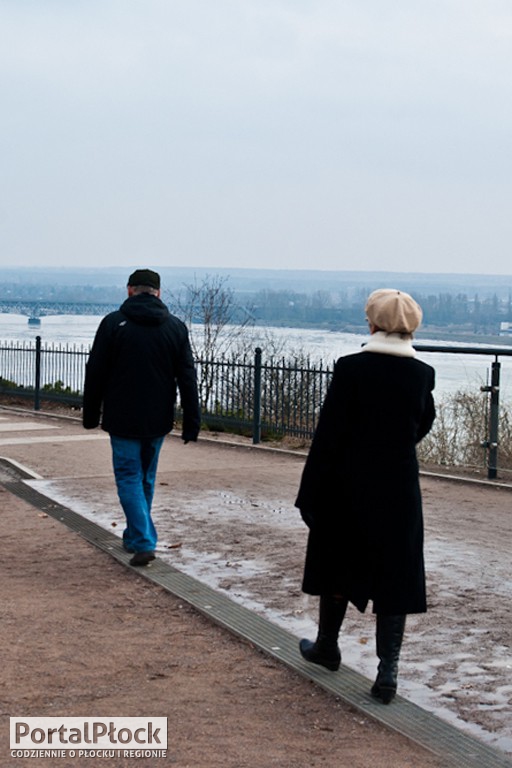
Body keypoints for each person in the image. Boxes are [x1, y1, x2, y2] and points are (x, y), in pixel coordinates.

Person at [295, 288, 435, 703]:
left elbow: (329, 434)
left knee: (337, 560)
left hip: (347, 483)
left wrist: (310, 492)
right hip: (398, 488)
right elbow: (420, 426)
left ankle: (327, 646)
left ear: (371, 323)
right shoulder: (422, 374)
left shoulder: (350, 368)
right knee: (396, 573)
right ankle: (387, 672)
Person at [82, 268, 201, 567]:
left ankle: (145, 541)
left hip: (122, 418)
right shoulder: (175, 328)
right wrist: (191, 421)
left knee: (128, 477)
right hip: (158, 419)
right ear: (159, 292)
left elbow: (95, 371)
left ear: (129, 290)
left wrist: (90, 414)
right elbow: (187, 377)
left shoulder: (112, 324)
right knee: (145, 478)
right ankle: (136, 538)